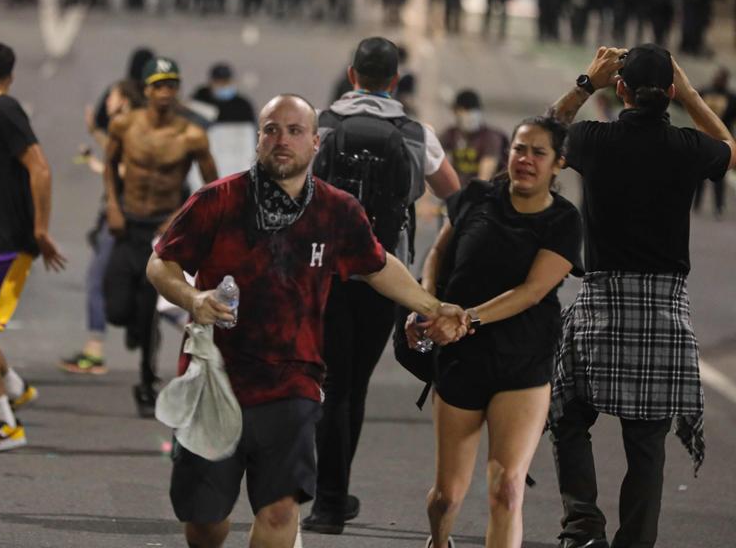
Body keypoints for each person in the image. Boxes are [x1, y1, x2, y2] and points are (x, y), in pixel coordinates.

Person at [146, 94, 470, 548]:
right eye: (272, 129)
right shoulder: (217, 200)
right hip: (215, 381)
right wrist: (191, 296)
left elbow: (378, 265)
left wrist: (433, 306)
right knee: (205, 521)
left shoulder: (337, 211)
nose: (282, 140)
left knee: (280, 510)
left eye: (295, 131)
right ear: (258, 139)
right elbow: (160, 264)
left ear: (316, 142)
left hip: (292, 383)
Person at [548, 45, 736, 548]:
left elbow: (547, 132)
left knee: (567, 416)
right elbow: (729, 147)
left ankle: (583, 524)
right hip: (663, 311)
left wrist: (588, 83)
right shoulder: (688, 147)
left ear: (622, 89)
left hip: (602, 304)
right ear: (670, 94)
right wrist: (693, 95)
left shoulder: (592, 139)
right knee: (646, 446)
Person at [304, 37, 460, 535]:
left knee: (329, 381)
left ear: (352, 75)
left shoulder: (319, 125)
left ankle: (328, 500)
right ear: (395, 80)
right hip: (386, 276)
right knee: (354, 385)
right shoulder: (417, 135)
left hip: (323, 271)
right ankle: (334, 492)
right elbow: (457, 199)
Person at [409, 116, 583, 548]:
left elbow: (531, 291)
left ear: (558, 163)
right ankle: (439, 541)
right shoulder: (476, 197)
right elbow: (438, 254)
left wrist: (465, 319)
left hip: (523, 362)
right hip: (460, 360)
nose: (525, 159)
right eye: (519, 149)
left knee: (507, 487)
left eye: (538, 153)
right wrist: (428, 306)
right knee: (446, 497)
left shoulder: (564, 220)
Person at [104, 57, 218, 416]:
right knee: (118, 307)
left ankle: (145, 379)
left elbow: (211, 187)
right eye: (158, 86)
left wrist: (177, 219)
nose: (165, 93)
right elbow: (109, 164)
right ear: (147, 90)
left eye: (172, 85)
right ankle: (135, 334)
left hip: (162, 233)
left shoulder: (191, 136)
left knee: (147, 311)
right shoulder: (124, 125)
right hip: (128, 223)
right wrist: (112, 204)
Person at [0, 42, 68, 451]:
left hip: (6, 244)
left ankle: (5, 423)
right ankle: (13, 388)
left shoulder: (4, 112)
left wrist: (41, 229)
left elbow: (40, 168)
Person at [60, 79, 144, 375]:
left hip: (122, 215)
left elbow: (126, 169)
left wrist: (97, 166)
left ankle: (95, 350)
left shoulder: (131, 127)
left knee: (98, 279)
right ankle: (205, 331)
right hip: (125, 214)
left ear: (124, 101)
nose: (107, 102)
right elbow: (116, 154)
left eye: (112, 97)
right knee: (149, 286)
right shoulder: (131, 125)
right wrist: (94, 133)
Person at [439, 89, 509, 188]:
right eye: (464, 110)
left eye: (473, 110)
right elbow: (434, 162)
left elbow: (485, 173)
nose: (469, 115)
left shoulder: (491, 137)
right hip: (460, 191)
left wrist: (475, 197)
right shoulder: (450, 135)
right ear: (455, 112)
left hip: (486, 193)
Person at [693, 67, 736, 218]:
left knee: (719, 174)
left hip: (721, 139)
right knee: (699, 174)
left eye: (722, 78)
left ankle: (719, 206)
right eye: (717, 76)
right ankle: (696, 203)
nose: (718, 79)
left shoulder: (731, 97)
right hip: (703, 137)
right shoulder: (705, 91)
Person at [192, 62, 256, 124]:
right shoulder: (199, 100)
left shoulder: (242, 105)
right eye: (219, 82)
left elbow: (252, 127)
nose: (223, 85)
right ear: (210, 83)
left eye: (226, 82)